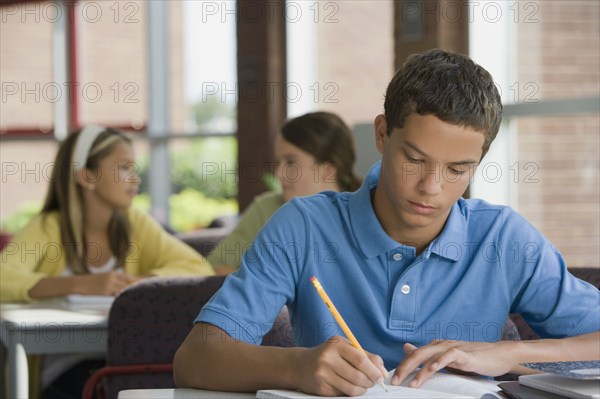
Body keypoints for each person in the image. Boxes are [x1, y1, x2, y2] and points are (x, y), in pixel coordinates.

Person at [173, 49, 600, 396]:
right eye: (414, 159)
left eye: (457, 169)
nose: (430, 187)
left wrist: (507, 354)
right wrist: (296, 365)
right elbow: (195, 358)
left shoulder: (504, 238)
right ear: (382, 135)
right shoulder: (303, 226)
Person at [0, 125, 214, 398]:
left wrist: (134, 285)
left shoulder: (135, 223)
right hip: (64, 371)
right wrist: (79, 284)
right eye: (124, 167)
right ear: (87, 176)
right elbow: (3, 277)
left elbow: (198, 268)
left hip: (123, 365)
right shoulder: (49, 227)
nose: (135, 179)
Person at [208, 111, 361, 274]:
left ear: (328, 170)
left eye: (291, 162)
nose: (279, 173)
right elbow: (215, 269)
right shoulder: (266, 209)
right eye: (279, 161)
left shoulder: (367, 213)